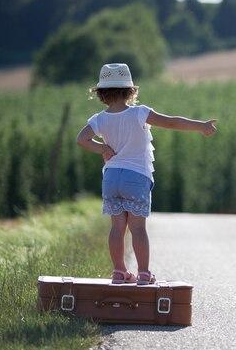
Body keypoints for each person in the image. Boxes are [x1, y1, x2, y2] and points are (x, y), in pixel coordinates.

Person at [76, 63, 217, 285]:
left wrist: (102, 148)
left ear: (101, 93)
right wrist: (201, 126)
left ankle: (119, 272)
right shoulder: (140, 113)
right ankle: (143, 273)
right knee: (138, 228)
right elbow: (171, 122)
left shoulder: (99, 119)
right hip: (136, 177)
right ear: (130, 90)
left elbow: (81, 139)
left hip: (111, 177)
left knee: (117, 227)